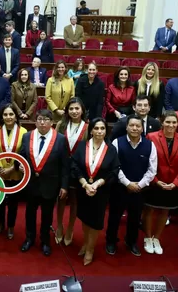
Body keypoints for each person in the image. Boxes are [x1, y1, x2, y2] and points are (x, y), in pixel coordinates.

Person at [106, 116, 158, 257]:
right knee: (114, 216)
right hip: (120, 187)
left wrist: (139, 185)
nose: (135, 128)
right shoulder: (117, 142)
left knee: (135, 218)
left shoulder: (150, 145)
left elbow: (152, 170)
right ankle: (111, 241)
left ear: (142, 128)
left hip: (139, 189)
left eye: (138, 126)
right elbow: (115, 166)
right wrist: (127, 183)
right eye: (132, 125)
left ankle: (131, 242)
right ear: (127, 127)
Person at [20, 109, 68, 256]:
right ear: (36, 121)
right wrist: (20, 165)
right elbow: (22, 156)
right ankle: (29, 238)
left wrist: (64, 186)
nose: (42, 122)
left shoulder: (60, 139)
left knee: (47, 215)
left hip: (50, 184)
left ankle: (45, 241)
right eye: (39, 119)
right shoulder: (27, 136)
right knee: (29, 213)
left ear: (52, 122)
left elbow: (65, 165)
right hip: (31, 183)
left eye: (46, 120)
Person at [71, 118, 119, 265]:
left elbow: (114, 171)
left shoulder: (111, 149)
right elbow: (74, 165)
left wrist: (97, 184)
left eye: (102, 129)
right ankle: (86, 243)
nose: (99, 131)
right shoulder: (81, 146)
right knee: (85, 218)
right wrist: (85, 184)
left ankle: (90, 249)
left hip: (101, 191)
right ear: (91, 130)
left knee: (96, 222)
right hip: (83, 189)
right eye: (96, 128)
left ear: (106, 131)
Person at [142, 111, 178, 255]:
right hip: (155, 181)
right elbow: (146, 161)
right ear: (162, 123)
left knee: (165, 210)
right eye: (168, 122)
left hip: (172, 183)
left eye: (174, 122)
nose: (171, 125)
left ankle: (157, 238)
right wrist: (155, 181)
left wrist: (176, 182)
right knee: (149, 209)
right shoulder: (152, 137)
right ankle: (148, 237)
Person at [55, 98, 88, 246]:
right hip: (62, 167)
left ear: (82, 110)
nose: (74, 111)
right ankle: (60, 226)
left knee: (75, 200)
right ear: (67, 111)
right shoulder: (61, 125)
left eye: (77, 108)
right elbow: (54, 144)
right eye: (71, 109)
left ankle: (70, 228)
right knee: (61, 198)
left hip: (79, 169)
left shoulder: (87, 127)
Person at [0, 105, 27, 239]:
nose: (8, 117)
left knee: (13, 203)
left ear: (16, 116)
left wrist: (12, 168)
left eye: (11, 114)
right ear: (2, 116)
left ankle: (11, 226)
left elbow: (24, 153)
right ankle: (0, 223)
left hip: (15, 172)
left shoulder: (24, 131)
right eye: (6, 115)